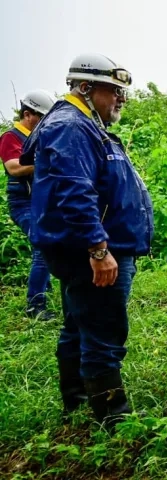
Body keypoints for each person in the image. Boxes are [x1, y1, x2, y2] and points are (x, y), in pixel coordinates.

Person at [20, 53, 154, 429]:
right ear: (85, 87)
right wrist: (99, 248)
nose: (121, 99)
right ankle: (113, 419)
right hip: (91, 252)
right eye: (114, 91)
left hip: (92, 249)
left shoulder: (83, 124)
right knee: (103, 329)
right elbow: (75, 192)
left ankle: (78, 403)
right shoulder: (71, 126)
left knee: (80, 324)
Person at [0, 89, 58, 320]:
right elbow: (13, 167)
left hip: (41, 201)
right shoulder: (11, 137)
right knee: (43, 246)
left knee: (50, 245)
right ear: (27, 114)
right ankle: (35, 306)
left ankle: (46, 292)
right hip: (23, 203)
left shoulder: (40, 136)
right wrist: (46, 162)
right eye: (41, 117)